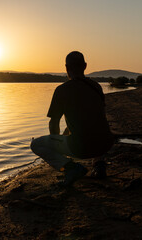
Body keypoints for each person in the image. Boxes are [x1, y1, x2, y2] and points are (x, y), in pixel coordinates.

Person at [30, 51, 114, 186]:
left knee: (36, 144)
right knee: (94, 129)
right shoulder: (96, 86)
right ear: (85, 66)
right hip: (105, 144)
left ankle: (71, 169)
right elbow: (91, 117)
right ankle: (99, 165)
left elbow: (54, 123)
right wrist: (65, 136)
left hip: (82, 149)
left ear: (66, 68)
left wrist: (56, 145)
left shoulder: (62, 90)